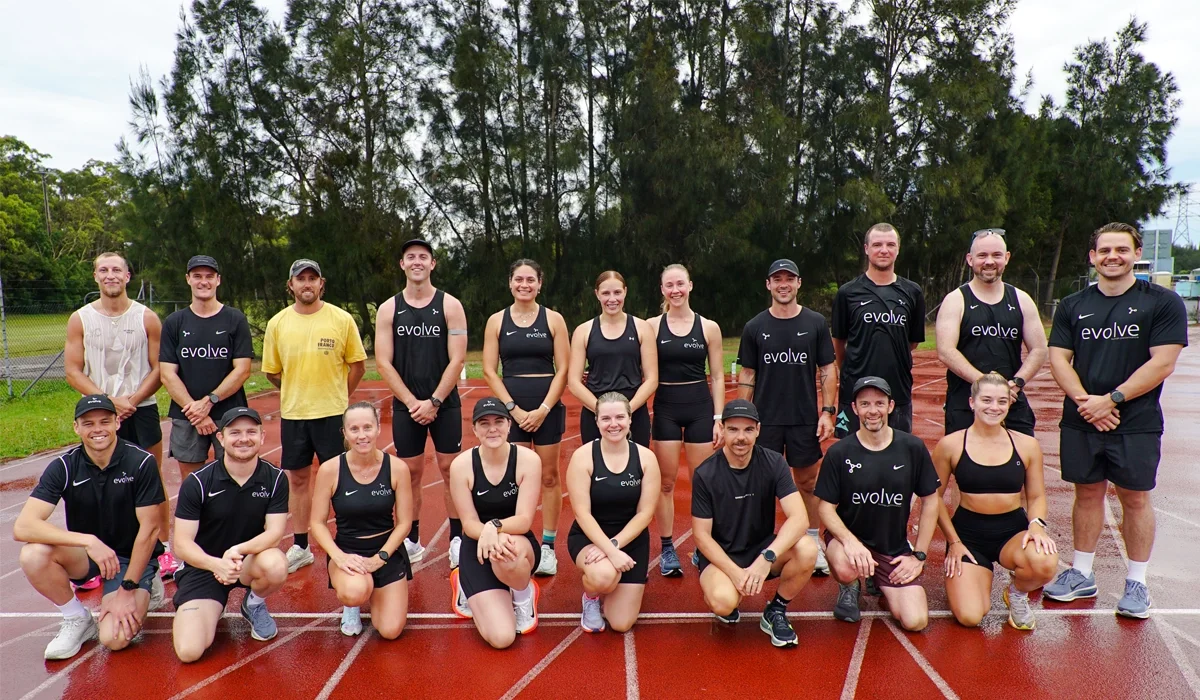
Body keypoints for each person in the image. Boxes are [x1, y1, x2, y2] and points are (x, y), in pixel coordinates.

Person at [1044, 222, 1188, 618]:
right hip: (1082, 417)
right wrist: (1086, 402)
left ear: (1136, 252)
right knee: (1086, 494)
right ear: (1092, 257)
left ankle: (1137, 582)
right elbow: (1059, 358)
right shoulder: (1073, 305)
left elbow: (1163, 361)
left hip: (1135, 419)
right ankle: (1081, 573)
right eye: (1104, 250)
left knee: (1135, 498)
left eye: (1121, 249)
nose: (1112, 257)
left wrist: (1113, 399)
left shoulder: (1162, 302)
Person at [14, 395, 165, 660]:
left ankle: (146, 586)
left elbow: (150, 531)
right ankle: (76, 618)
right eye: (88, 423)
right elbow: (24, 526)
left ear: (117, 423)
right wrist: (88, 542)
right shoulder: (64, 466)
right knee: (33, 554)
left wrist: (127, 589)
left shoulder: (141, 462)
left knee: (114, 639)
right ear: (76, 427)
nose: (97, 429)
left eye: (105, 421)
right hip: (89, 556)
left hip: (130, 558)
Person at [64, 252, 174, 581]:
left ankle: (162, 548)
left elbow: (159, 368)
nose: (110, 275)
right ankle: (97, 558)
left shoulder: (147, 318)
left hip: (141, 410)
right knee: (98, 482)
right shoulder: (80, 319)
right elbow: (72, 370)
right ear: (95, 276)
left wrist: (133, 399)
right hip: (98, 412)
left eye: (117, 270)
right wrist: (108, 401)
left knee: (152, 479)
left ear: (128, 276)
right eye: (103, 270)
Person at [262, 259, 367, 573]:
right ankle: (302, 545)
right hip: (295, 414)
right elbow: (273, 373)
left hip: (333, 414)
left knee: (340, 479)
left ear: (322, 284)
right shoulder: (277, 323)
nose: (306, 284)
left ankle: (346, 542)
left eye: (312, 279)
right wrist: (297, 389)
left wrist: (338, 394)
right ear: (291, 285)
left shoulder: (341, 318)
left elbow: (358, 366)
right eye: (300, 279)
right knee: (298, 479)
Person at [932, 373, 1058, 630]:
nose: (994, 407)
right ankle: (972, 580)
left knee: (1044, 560)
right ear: (972, 402)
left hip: (1012, 532)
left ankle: (1017, 594)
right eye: (986, 400)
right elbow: (932, 498)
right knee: (970, 616)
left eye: (1002, 401)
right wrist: (954, 542)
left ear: (1010, 403)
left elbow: (1036, 496)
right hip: (968, 537)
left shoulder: (1027, 445)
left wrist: (1036, 526)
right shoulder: (950, 445)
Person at [737, 259, 837, 576]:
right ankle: (758, 545)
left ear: (798, 283)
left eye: (789, 279)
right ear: (768, 284)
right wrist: (742, 420)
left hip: (803, 418)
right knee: (759, 484)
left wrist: (828, 411)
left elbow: (827, 370)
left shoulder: (816, 322)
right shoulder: (754, 327)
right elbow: (747, 374)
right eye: (777, 279)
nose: (783, 284)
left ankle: (811, 543)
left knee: (807, 482)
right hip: (765, 420)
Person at [692, 399, 819, 648]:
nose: (741, 437)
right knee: (723, 601)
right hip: (723, 553)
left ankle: (776, 611)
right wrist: (736, 573)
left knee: (808, 549)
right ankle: (727, 587)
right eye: (733, 429)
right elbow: (702, 537)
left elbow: (800, 518)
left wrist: (766, 558)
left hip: (762, 547)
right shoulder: (706, 473)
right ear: (722, 429)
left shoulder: (774, 462)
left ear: (759, 430)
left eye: (748, 430)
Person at [817, 377, 941, 631]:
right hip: (849, 544)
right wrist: (850, 542)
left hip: (891, 547)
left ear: (891, 406)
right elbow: (825, 508)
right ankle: (850, 586)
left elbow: (930, 501)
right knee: (845, 564)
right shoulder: (839, 452)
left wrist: (919, 555)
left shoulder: (912, 447)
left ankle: (878, 578)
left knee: (916, 621)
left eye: (879, 403)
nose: (872, 410)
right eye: (865, 404)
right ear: (854, 408)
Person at [375, 239, 467, 567]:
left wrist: (435, 401)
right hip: (407, 404)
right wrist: (414, 402)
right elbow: (383, 362)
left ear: (433, 263)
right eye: (410, 257)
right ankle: (411, 539)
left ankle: (457, 539)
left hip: (445, 404)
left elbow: (457, 360)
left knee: (450, 470)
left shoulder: (450, 305)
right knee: (410, 472)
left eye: (423, 257)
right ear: (402, 264)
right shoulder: (389, 308)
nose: (417, 262)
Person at [171, 407, 290, 661]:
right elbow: (181, 544)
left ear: (261, 437)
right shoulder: (199, 482)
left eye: (251, 432)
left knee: (277, 564)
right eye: (235, 432)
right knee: (189, 652)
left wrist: (238, 551)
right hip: (205, 566)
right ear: (221, 439)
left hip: (247, 562)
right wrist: (217, 564)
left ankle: (254, 603)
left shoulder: (276, 479)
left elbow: (275, 533)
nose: (243, 438)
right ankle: (213, 605)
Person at [482, 259, 570, 576]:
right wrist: (512, 409)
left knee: (548, 477)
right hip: (512, 410)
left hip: (545, 407)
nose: (524, 285)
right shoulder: (496, 321)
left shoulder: (554, 320)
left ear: (539, 283)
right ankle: (513, 541)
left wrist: (544, 409)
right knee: (513, 481)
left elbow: (564, 369)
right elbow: (490, 370)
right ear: (510, 283)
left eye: (530, 279)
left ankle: (547, 547)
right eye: (518, 279)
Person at [310, 402, 414, 639]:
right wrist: (339, 557)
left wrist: (381, 558)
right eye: (354, 429)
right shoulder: (330, 470)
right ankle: (352, 604)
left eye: (367, 427)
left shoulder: (397, 469)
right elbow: (317, 523)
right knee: (355, 591)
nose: (362, 435)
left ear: (378, 429)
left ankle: (376, 589)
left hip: (386, 551)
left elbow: (404, 522)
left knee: (390, 631)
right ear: (344, 433)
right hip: (348, 552)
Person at [647, 264, 724, 577]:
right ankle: (668, 548)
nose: (675, 290)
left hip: (699, 408)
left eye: (680, 284)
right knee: (665, 483)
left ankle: (704, 546)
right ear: (663, 290)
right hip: (665, 406)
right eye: (669, 285)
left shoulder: (708, 328)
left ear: (690, 286)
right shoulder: (651, 327)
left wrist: (719, 417)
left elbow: (718, 375)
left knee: (702, 483)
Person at [447, 398, 543, 648]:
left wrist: (495, 527)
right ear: (474, 430)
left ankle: (523, 596)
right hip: (477, 546)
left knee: (507, 553)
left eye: (499, 422)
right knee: (502, 639)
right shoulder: (461, 466)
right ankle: (463, 584)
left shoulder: (528, 460)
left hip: (516, 543)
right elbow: (468, 523)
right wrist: (487, 533)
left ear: (509, 425)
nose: (492, 429)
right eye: (484, 423)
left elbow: (523, 520)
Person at [936, 229, 1048, 436]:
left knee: (1020, 462)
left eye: (996, 255)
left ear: (1006, 258)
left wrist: (1016, 383)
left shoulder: (1021, 300)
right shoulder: (956, 300)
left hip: (1011, 399)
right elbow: (945, 351)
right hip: (965, 402)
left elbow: (1039, 349)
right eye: (982, 255)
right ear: (970, 259)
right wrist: (985, 385)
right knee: (965, 465)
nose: (989, 261)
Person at [566, 393, 661, 632]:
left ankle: (615, 579)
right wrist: (609, 550)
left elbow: (645, 514)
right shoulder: (582, 457)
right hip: (589, 538)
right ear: (596, 422)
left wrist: (615, 546)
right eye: (605, 418)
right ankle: (591, 596)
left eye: (620, 417)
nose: (613, 424)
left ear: (630, 419)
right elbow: (582, 514)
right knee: (603, 577)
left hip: (630, 540)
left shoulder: (646, 458)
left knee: (621, 624)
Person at [159, 256, 253, 478]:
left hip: (229, 414)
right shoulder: (174, 322)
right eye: (197, 276)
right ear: (188, 279)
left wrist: (209, 402)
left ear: (218, 280)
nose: (204, 282)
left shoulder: (235, 319)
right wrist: (197, 412)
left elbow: (242, 370)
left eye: (209, 276)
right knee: (192, 482)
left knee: (234, 478)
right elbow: (167, 374)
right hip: (187, 415)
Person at [831, 224, 926, 436]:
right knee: (851, 456)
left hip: (897, 392)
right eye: (877, 245)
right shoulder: (847, 293)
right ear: (866, 249)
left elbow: (912, 342)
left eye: (890, 244)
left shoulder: (913, 292)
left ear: (898, 249)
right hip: (855, 392)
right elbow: (839, 342)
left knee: (898, 457)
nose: (884, 250)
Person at [568, 271, 658, 448]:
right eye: (606, 293)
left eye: (617, 292)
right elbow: (573, 381)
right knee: (597, 469)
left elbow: (652, 378)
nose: (612, 299)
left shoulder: (642, 328)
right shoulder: (583, 331)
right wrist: (602, 411)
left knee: (636, 468)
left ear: (625, 291)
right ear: (597, 294)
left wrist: (627, 411)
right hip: (595, 410)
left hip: (634, 411)